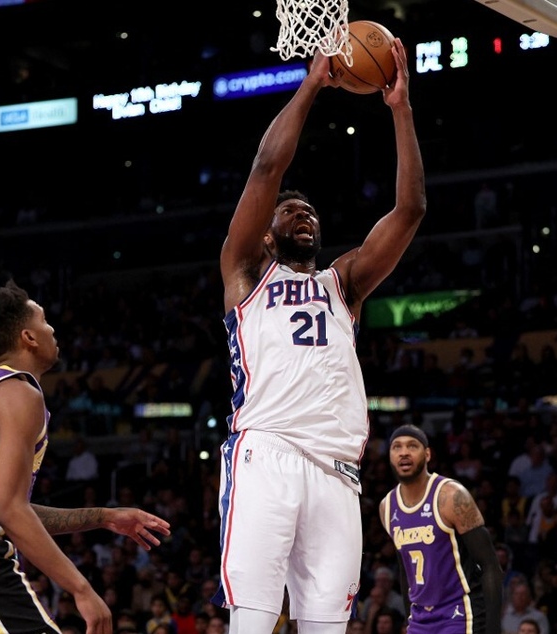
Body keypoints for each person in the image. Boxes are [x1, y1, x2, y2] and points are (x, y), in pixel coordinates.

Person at [214, 36, 424, 634]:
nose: (301, 212)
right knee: (252, 622)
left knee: (326, 628)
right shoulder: (245, 273)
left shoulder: (345, 284)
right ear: (265, 234)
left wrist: (400, 109)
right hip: (268, 452)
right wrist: (312, 83)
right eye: (288, 211)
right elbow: (266, 167)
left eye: (309, 210)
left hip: (338, 472)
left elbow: (409, 212)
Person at [0, 280, 171, 634]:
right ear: (28, 337)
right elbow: (9, 510)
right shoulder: (20, 393)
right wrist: (82, 588)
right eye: (44, 320)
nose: (52, 328)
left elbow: (8, 507)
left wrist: (104, 517)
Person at [381, 424, 502, 634]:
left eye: (412, 446)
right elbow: (405, 570)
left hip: (460, 613)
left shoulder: (451, 495)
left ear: (427, 454)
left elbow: (490, 566)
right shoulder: (387, 506)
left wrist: (492, 628)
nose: (404, 453)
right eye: (397, 447)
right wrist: (410, 616)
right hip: (421, 618)